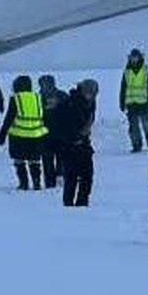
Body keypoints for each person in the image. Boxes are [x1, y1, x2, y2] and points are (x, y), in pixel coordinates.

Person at [0, 74, 48, 190]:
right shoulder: (38, 97)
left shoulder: (16, 98)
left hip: (18, 135)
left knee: (19, 160)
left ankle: (23, 184)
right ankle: (36, 183)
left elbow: (9, 118)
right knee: (34, 160)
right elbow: (44, 116)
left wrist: (2, 135)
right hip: (36, 135)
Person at [55, 78, 99, 207]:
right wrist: (76, 136)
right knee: (71, 178)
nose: (91, 95)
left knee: (87, 176)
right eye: (89, 92)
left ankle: (82, 203)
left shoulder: (90, 103)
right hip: (69, 146)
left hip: (84, 145)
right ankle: (68, 205)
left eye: (93, 93)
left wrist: (83, 136)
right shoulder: (71, 103)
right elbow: (62, 125)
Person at [118, 48, 148, 152]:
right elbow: (123, 88)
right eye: (132, 58)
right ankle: (136, 145)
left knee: (147, 125)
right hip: (131, 104)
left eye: (136, 57)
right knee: (133, 127)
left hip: (144, 103)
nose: (134, 59)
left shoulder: (147, 70)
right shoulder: (127, 72)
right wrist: (122, 102)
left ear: (140, 58)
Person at [37, 73, 67, 188]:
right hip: (59, 133)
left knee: (48, 159)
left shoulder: (37, 97)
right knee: (59, 157)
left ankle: (50, 182)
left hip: (45, 133)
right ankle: (59, 177)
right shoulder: (62, 95)